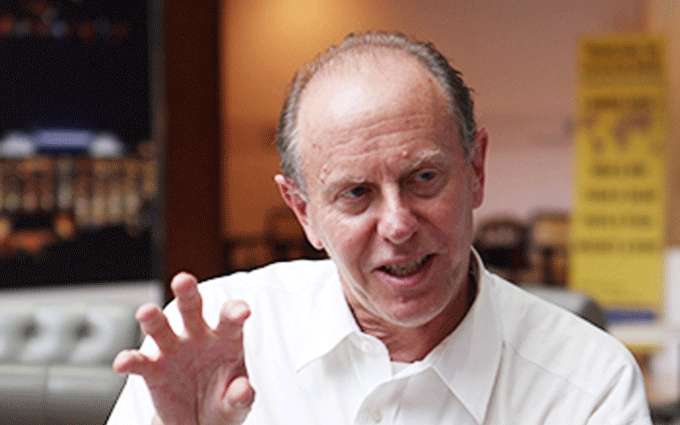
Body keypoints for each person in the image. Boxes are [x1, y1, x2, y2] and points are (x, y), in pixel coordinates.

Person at [107, 31, 651, 425]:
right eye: (356, 193)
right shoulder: (211, 339)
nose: (397, 225)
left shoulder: (587, 383)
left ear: (476, 170)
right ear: (303, 211)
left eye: (424, 178)